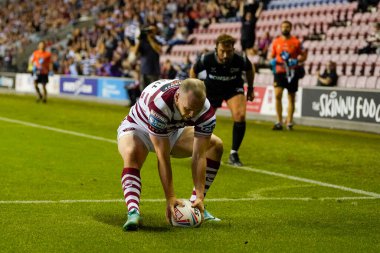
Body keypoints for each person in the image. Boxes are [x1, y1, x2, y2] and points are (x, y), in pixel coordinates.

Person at [117, 78, 224, 231]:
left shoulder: (206, 112)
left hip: (172, 129)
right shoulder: (160, 105)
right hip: (138, 126)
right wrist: (170, 197)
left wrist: (200, 195)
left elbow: (199, 155)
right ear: (177, 97)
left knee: (215, 145)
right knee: (131, 153)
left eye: (197, 109)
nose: (192, 114)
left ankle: (196, 205)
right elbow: (163, 157)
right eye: (188, 108)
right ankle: (133, 212)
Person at [189, 34, 255, 167]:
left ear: (233, 49)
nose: (225, 55)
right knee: (200, 118)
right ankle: (197, 148)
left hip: (233, 88)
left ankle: (234, 153)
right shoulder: (206, 58)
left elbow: (250, 69)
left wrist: (251, 88)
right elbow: (193, 70)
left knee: (240, 116)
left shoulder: (240, 58)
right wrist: (195, 89)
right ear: (216, 49)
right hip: (212, 89)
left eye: (229, 51)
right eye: (222, 51)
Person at [269, 20, 307, 130]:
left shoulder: (296, 42)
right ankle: (279, 121)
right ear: (281, 28)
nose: (285, 28)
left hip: (292, 72)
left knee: (291, 96)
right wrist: (273, 61)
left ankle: (289, 122)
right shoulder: (276, 42)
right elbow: (271, 56)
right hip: (279, 71)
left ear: (290, 28)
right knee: (277, 95)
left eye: (287, 27)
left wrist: (297, 61)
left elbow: (304, 55)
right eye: (283, 27)